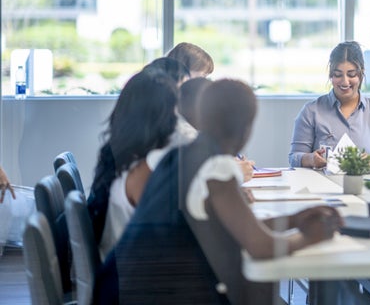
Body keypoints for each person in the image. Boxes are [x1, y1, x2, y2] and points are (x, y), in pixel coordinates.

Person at [95, 79, 343, 304]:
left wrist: (295, 219)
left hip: (121, 289)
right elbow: (260, 246)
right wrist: (312, 235)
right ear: (246, 128)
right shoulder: (216, 167)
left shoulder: (178, 156)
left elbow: (240, 228)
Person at [87, 69, 179, 259]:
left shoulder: (119, 157)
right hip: (133, 278)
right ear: (162, 118)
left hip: (121, 267)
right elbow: (171, 233)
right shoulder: (142, 172)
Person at [288, 41, 370, 169]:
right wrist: (310, 159)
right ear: (331, 74)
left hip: (366, 185)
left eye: (351, 74)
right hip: (323, 185)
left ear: (361, 74)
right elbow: (294, 157)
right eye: (338, 75)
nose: (345, 81)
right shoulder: (311, 111)